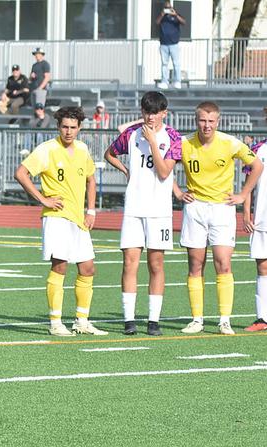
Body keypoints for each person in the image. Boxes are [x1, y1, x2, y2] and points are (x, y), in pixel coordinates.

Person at [15, 106, 107, 336]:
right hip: (56, 217)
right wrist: (42, 199)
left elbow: (91, 180)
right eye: (64, 127)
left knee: (88, 268)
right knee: (60, 266)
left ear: (79, 128)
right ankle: (55, 322)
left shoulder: (83, 148)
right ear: (58, 126)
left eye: (73, 127)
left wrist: (92, 211)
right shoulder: (47, 149)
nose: (68, 131)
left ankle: (81, 321)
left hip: (78, 218)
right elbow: (21, 173)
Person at [176, 101, 263, 335]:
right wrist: (176, 191)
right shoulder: (183, 143)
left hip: (222, 209)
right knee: (195, 265)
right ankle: (197, 320)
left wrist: (243, 194)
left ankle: (224, 320)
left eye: (211, 121)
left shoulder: (229, 142)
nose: (206, 125)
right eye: (202, 120)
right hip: (195, 209)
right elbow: (163, 168)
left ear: (218, 121)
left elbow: (257, 165)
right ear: (197, 121)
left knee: (223, 264)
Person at [104, 91, 182, 336]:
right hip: (134, 207)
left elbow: (162, 172)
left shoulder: (173, 137)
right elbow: (109, 153)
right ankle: (129, 320)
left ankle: (153, 321)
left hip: (159, 210)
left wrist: (151, 144)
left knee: (156, 263)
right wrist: (127, 171)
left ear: (164, 113)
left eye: (156, 113)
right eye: (147, 112)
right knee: (129, 262)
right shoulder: (131, 133)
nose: (150, 118)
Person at [242, 137, 267, 331]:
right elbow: (248, 186)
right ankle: (262, 319)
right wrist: (246, 213)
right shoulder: (258, 149)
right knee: (263, 267)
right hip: (262, 218)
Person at [156, 2, 185, 89]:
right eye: (166, 8)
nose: (167, 9)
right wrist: (162, 14)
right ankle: (164, 81)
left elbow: (183, 22)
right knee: (164, 64)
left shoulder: (175, 16)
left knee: (176, 63)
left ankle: (177, 81)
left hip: (174, 44)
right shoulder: (162, 17)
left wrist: (175, 15)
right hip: (163, 44)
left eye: (169, 8)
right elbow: (157, 22)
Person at [28, 47, 52, 126]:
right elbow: (30, 78)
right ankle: (35, 125)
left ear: (42, 55)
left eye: (38, 54)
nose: (36, 55)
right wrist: (31, 76)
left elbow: (47, 77)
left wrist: (40, 87)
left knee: (40, 108)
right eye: (35, 54)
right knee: (35, 110)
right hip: (34, 89)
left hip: (40, 90)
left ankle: (42, 125)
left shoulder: (45, 64)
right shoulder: (34, 65)